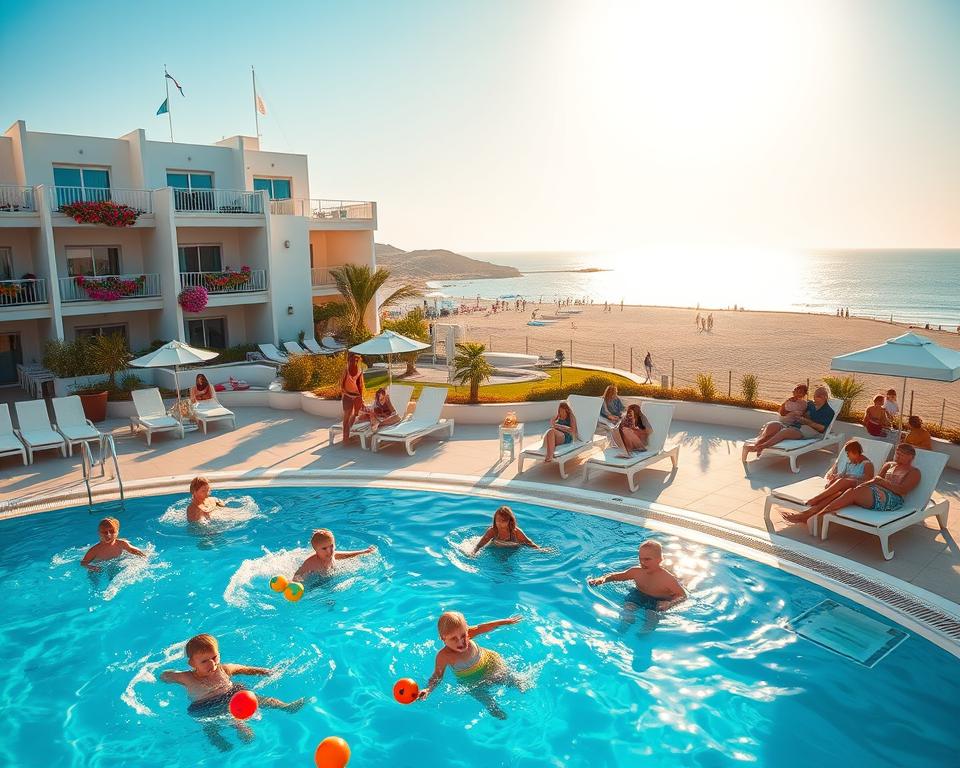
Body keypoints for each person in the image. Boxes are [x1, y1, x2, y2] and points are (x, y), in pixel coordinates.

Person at [161, 634, 303, 751]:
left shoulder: (224, 669)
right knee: (210, 728)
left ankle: (286, 707)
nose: (212, 664)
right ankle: (219, 742)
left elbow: (244, 668)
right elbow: (167, 675)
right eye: (204, 661)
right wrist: (164, 675)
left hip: (232, 696)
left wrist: (263, 672)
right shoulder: (187, 677)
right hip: (205, 706)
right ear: (192, 664)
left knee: (261, 700)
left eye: (214, 657)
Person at [416, 611, 524, 719]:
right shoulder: (444, 656)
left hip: (489, 662)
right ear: (443, 638)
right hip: (471, 679)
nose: (461, 642)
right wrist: (428, 690)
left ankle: (517, 682)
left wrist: (505, 621)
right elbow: (437, 676)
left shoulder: (469, 634)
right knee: (481, 695)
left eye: (463, 635)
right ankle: (494, 709)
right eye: (454, 639)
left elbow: (484, 627)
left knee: (507, 678)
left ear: (467, 630)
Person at [801, 443, 921, 520]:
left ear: (911, 457)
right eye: (897, 454)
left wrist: (882, 482)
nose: (897, 457)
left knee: (851, 492)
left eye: (901, 455)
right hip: (877, 491)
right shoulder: (889, 465)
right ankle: (813, 510)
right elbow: (875, 481)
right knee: (846, 489)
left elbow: (903, 491)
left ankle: (815, 516)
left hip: (892, 500)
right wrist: (864, 484)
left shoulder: (914, 472)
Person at [780, 440, 875, 524]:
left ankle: (814, 500)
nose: (847, 456)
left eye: (848, 453)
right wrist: (835, 477)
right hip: (843, 491)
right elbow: (842, 474)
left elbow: (868, 481)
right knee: (832, 495)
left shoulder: (867, 464)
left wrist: (850, 477)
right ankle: (806, 515)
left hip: (855, 491)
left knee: (842, 482)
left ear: (854, 452)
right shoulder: (849, 463)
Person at [587, 540, 686, 613]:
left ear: (659, 559)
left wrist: (669, 604)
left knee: (651, 618)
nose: (642, 562)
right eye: (640, 559)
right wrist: (602, 579)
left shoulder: (667, 578)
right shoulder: (636, 572)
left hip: (658, 601)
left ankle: (644, 635)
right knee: (627, 610)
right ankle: (623, 628)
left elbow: (682, 596)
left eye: (647, 559)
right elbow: (617, 576)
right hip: (638, 594)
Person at [741, 384, 811, 460]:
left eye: (800, 392)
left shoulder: (803, 404)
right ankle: (755, 446)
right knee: (769, 431)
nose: (797, 393)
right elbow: (781, 412)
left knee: (777, 434)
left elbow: (785, 412)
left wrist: (788, 404)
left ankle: (760, 447)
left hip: (792, 427)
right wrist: (787, 403)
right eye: (796, 391)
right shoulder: (790, 401)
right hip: (783, 424)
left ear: (804, 394)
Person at [293, 528, 376, 581]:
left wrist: (364, 552)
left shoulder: (332, 555)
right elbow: (297, 574)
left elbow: (347, 555)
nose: (329, 551)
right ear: (316, 550)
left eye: (331, 546)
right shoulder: (311, 562)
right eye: (324, 548)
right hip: (316, 580)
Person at [80, 517, 146, 572]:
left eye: (112, 531)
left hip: (115, 565)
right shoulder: (95, 550)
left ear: (117, 532)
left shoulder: (122, 544)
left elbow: (135, 551)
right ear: (99, 533)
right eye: (105, 532)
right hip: (98, 568)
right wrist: (91, 567)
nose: (108, 534)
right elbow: (83, 563)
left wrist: (144, 557)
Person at [472, 506, 541, 553]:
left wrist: (540, 550)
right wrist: (473, 553)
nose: (499, 523)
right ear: (494, 520)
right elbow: (480, 545)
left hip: (512, 551)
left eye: (503, 521)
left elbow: (529, 542)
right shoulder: (493, 531)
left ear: (510, 521)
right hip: (495, 550)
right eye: (497, 520)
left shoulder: (516, 532)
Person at [339, 353, 366, 442]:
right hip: (347, 395)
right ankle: (345, 437)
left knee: (355, 415)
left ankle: (349, 433)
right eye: (352, 360)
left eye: (356, 360)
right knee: (347, 416)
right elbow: (341, 383)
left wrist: (361, 397)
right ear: (349, 360)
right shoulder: (346, 369)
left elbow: (361, 385)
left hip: (357, 396)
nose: (354, 361)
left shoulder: (359, 370)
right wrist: (344, 393)